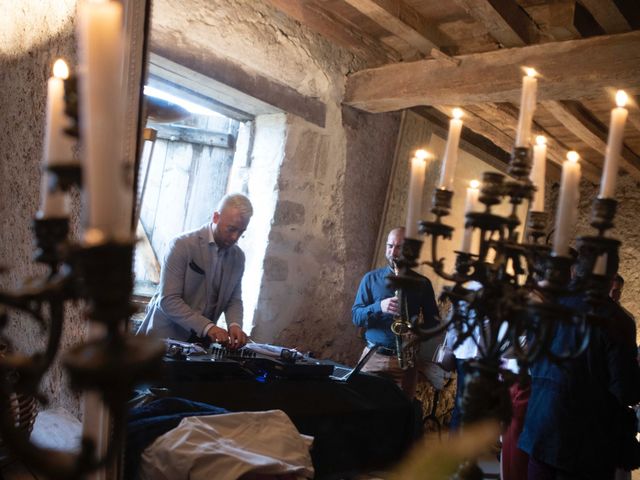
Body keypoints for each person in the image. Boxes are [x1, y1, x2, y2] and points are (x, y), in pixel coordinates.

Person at [519, 252, 640, 480]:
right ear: (612, 277)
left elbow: (531, 360)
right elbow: (626, 391)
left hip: (540, 429)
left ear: (575, 271)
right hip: (586, 444)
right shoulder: (616, 320)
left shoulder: (548, 309)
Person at [138, 193, 252, 349]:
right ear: (216, 217)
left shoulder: (238, 257)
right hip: (163, 341)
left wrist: (235, 324)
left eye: (241, 232)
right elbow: (168, 300)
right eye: (231, 229)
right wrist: (208, 327)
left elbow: (234, 299)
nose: (235, 237)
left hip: (201, 345)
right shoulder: (181, 245)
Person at [351, 227, 439, 396]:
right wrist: (379, 307)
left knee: (399, 414)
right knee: (361, 410)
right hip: (373, 357)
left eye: (399, 247)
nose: (393, 252)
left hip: (406, 362)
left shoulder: (422, 283)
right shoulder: (370, 279)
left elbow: (434, 321)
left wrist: (418, 331)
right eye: (390, 246)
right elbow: (356, 317)